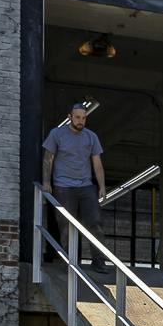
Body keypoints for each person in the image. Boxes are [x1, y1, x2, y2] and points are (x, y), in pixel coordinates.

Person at [41, 101, 108, 272]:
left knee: (95, 223)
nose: (80, 121)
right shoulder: (57, 134)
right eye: (77, 117)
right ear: (69, 117)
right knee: (66, 225)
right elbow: (48, 159)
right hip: (63, 186)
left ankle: (99, 260)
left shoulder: (91, 137)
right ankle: (70, 262)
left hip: (86, 186)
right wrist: (47, 182)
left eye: (83, 118)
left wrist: (102, 186)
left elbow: (97, 164)